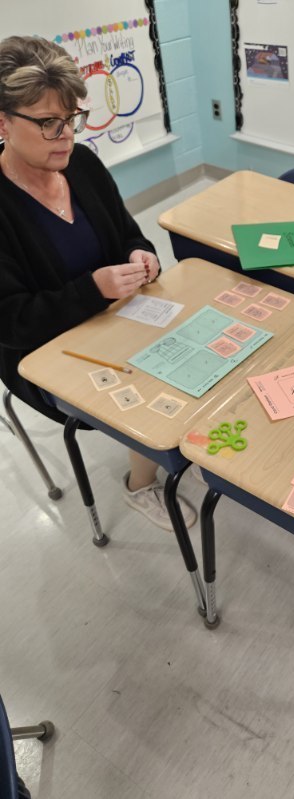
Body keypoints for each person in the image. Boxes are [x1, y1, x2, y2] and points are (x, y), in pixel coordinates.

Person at [0, 35, 196, 532]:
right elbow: (12, 321)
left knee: (191, 346)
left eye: (70, 119)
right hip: (40, 354)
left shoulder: (81, 164)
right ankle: (142, 484)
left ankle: (166, 446)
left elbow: (126, 233)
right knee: (153, 379)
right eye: (47, 123)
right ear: (2, 123)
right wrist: (94, 289)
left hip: (112, 317)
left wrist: (140, 256)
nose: (64, 135)